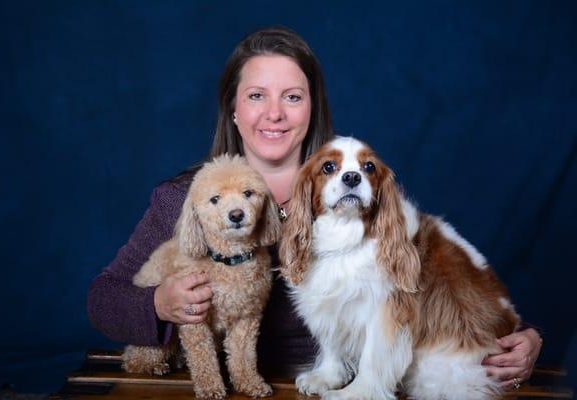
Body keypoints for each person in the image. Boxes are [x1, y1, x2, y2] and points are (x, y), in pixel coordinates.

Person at [87, 26, 542, 390]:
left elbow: (440, 277)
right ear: (232, 109)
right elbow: (103, 300)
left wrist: (520, 333)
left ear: (311, 107)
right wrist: (159, 305)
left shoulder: (354, 187)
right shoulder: (185, 197)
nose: (275, 114)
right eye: (256, 95)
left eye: (292, 96)